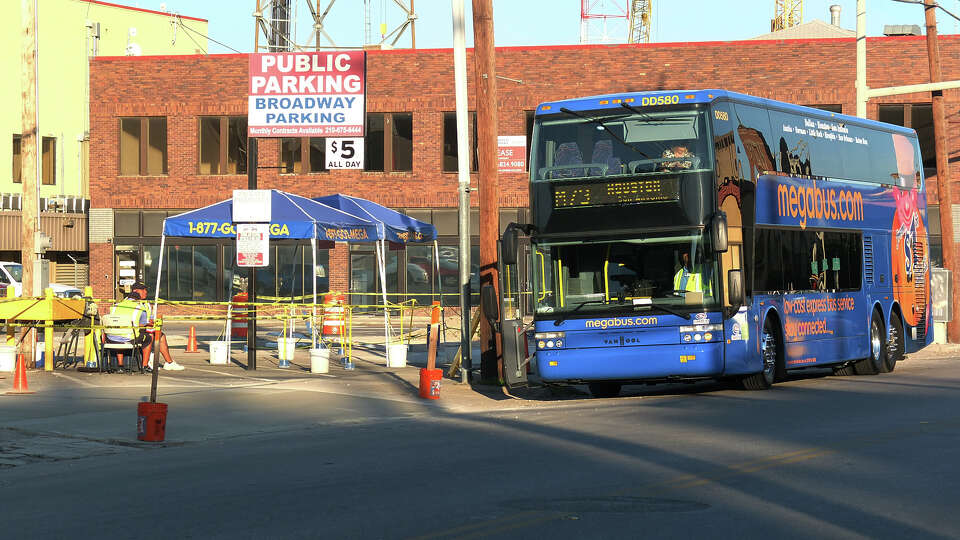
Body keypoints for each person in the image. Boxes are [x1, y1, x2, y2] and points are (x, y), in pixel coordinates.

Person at [106, 282, 184, 371]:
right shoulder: (138, 306)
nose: (145, 292)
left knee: (158, 335)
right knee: (150, 337)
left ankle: (120, 366)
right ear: (135, 291)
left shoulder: (117, 305)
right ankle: (146, 365)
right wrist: (149, 324)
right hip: (130, 336)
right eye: (143, 290)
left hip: (111, 337)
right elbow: (144, 324)